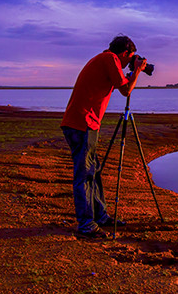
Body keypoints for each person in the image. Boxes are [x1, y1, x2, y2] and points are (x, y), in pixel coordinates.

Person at [61, 35, 147, 238]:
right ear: (125, 53)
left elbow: (123, 83)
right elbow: (126, 90)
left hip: (83, 123)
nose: (129, 61)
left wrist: (134, 71)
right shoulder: (110, 59)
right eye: (131, 57)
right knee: (84, 174)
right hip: (83, 123)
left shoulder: (104, 59)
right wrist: (137, 70)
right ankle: (86, 224)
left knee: (93, 171)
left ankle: (100, 216)